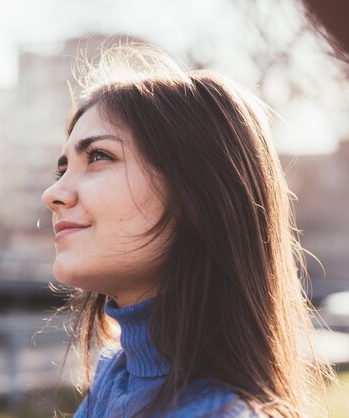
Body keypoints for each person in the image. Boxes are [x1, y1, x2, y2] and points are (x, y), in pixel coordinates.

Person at [41, 43, 332, 417]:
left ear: (197, 192)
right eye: (63, 170)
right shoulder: (113, 384)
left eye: (99, 156)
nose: (53, 194)